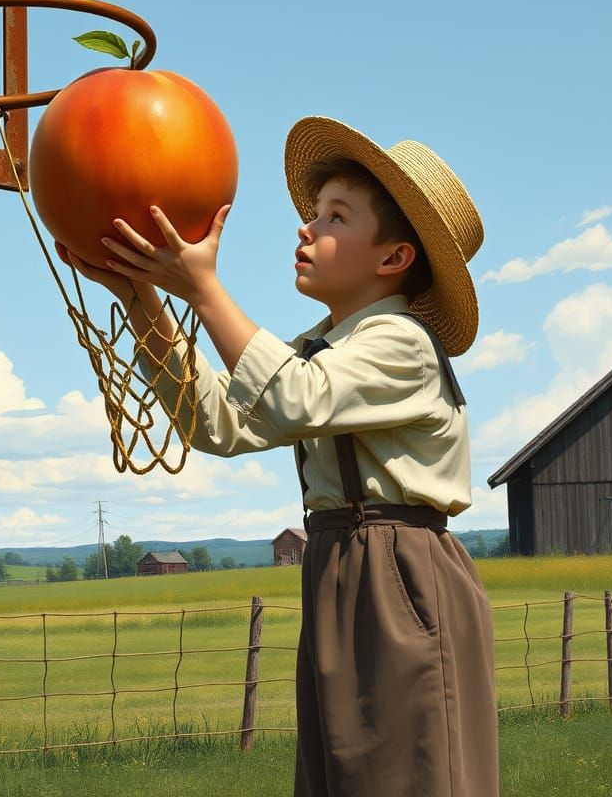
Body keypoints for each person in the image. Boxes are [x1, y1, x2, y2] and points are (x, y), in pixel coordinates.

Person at [62, 116, 500, 797]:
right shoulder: (322, 349)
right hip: (339, 561)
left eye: (335, 217)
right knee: (343, 773)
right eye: (314, 212)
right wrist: (142, 297)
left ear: (393, 259)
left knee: (405, 774)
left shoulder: (404, 342)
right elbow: (218, 423)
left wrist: (203, 290)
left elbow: (294, 398)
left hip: (399, 569)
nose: (306, 227)